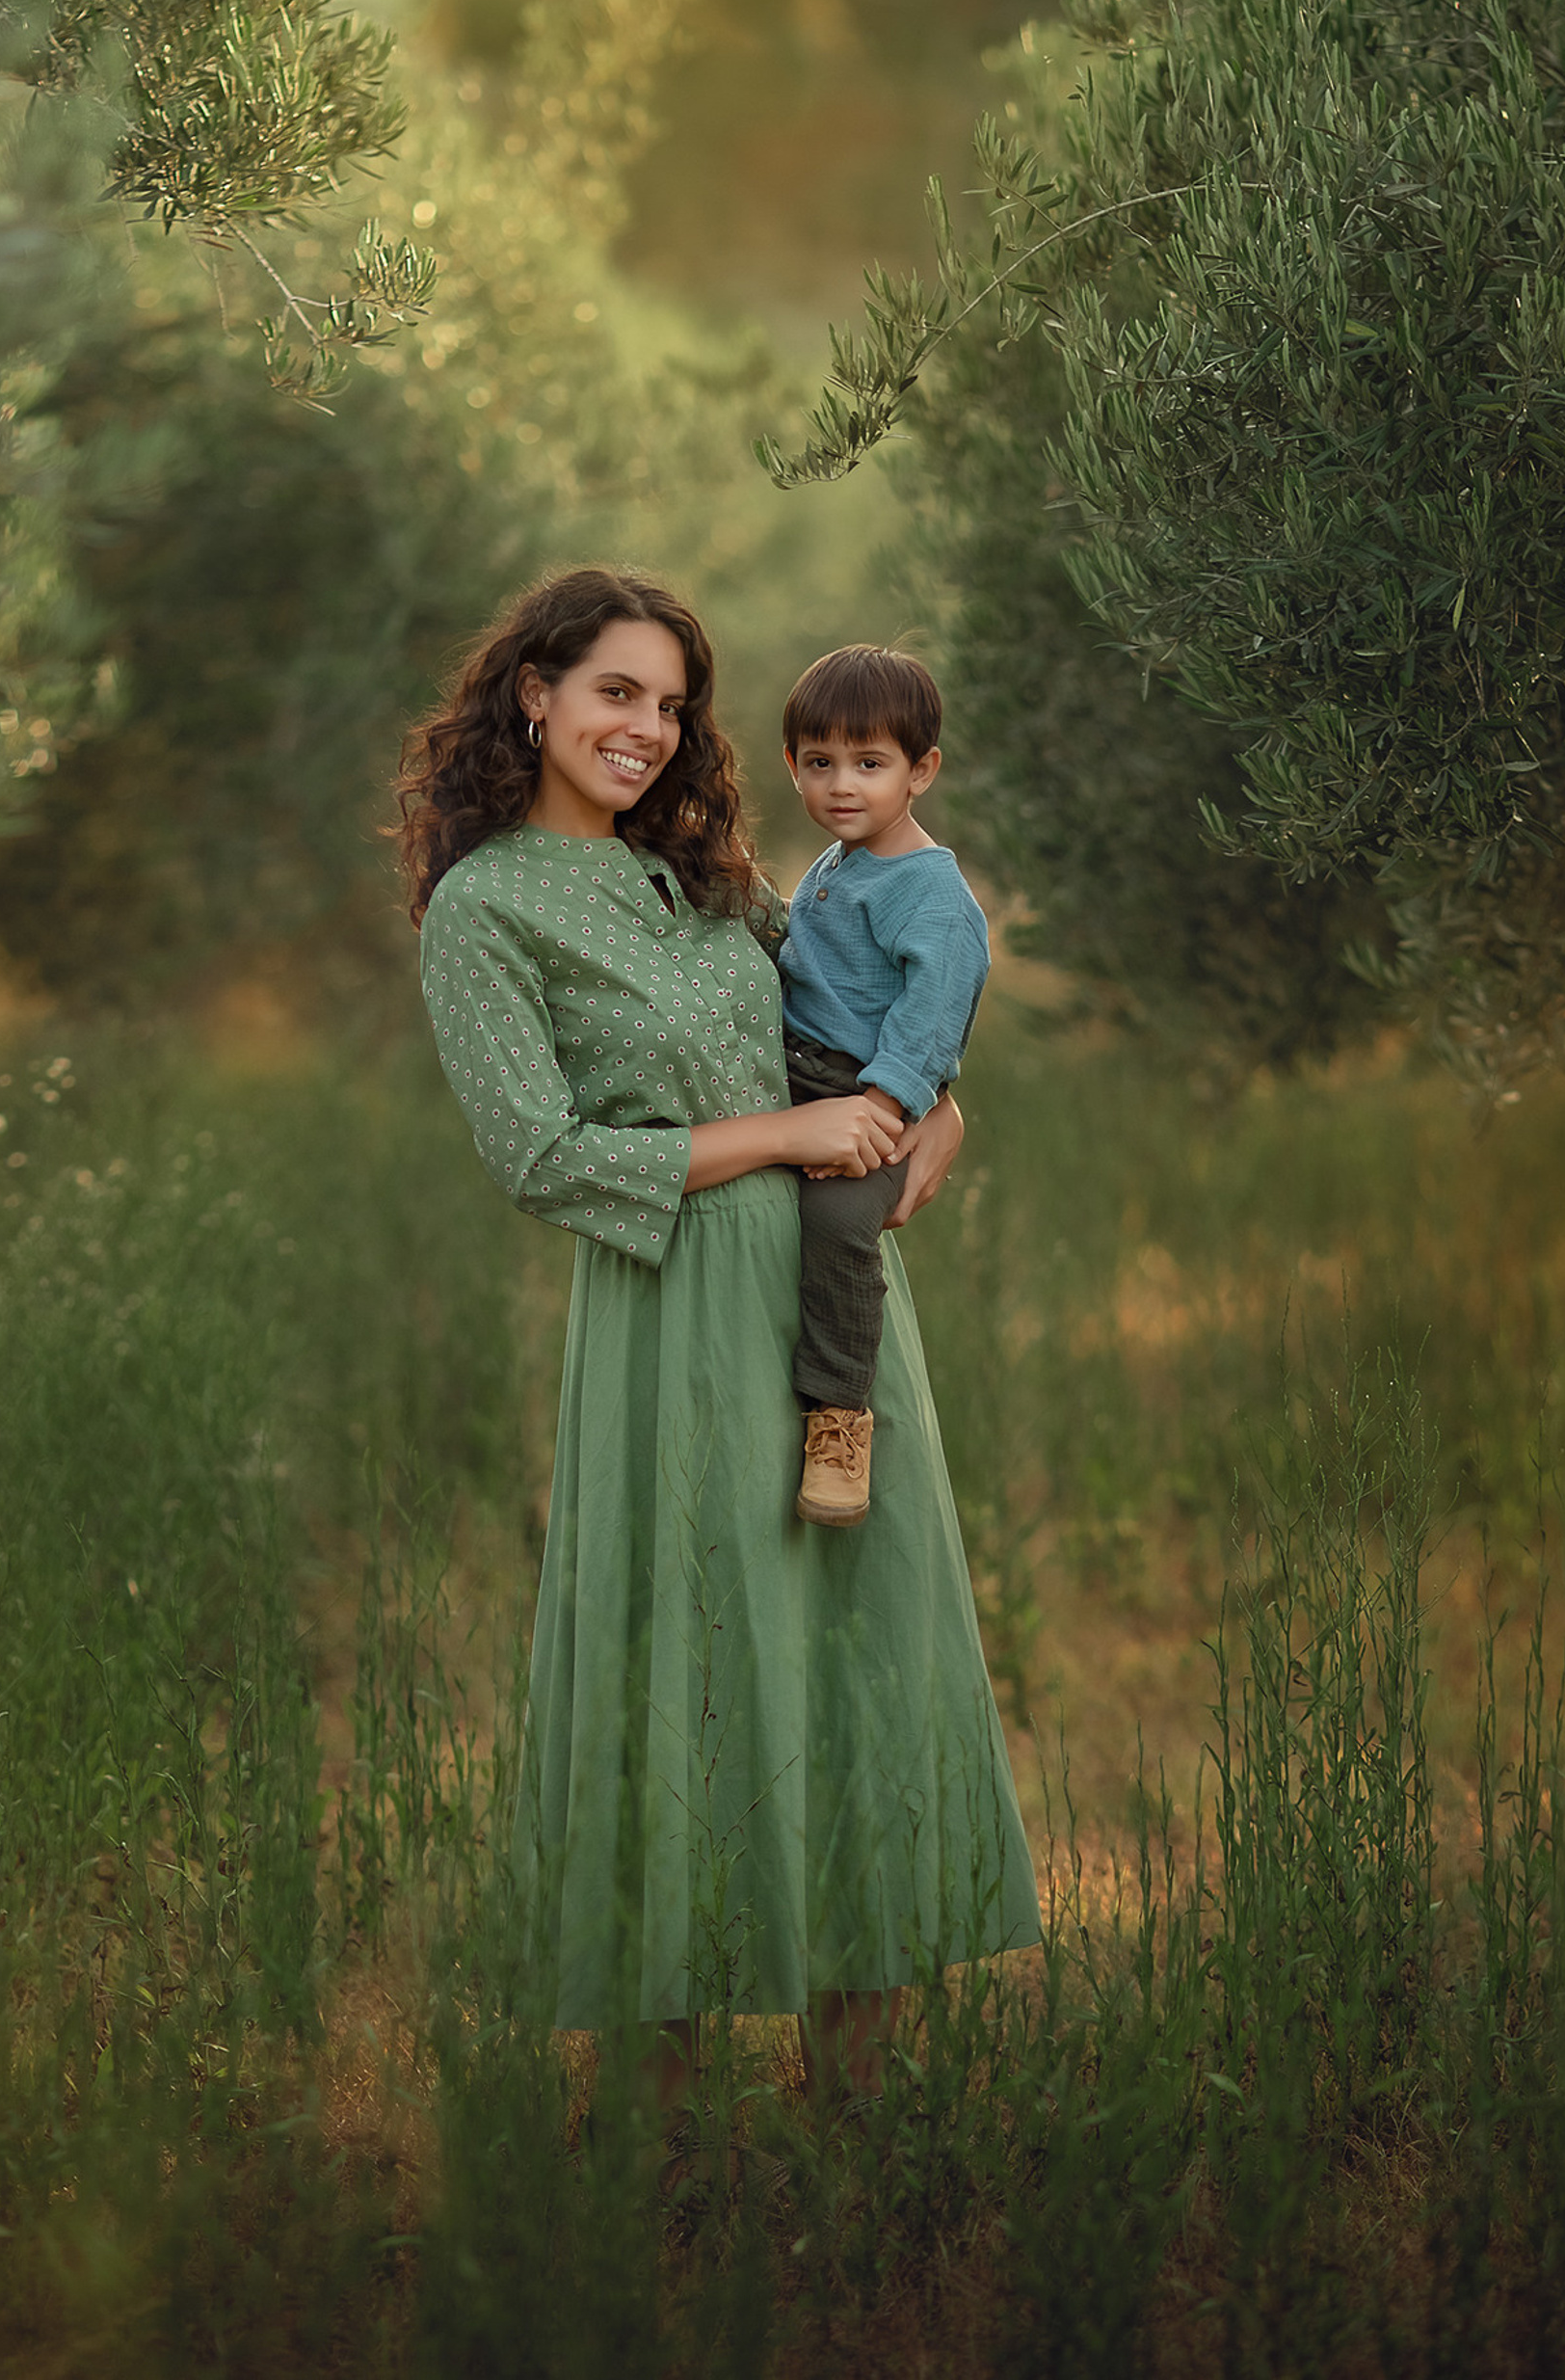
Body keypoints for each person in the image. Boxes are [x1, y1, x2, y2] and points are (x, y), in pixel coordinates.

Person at [394, 564, 1038, 2111]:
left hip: (830, 1314)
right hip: (670, 1306)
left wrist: (937, 1108)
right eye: (618, 691)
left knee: (856, 1635)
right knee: (673, 1650)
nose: (650, 730)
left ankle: (863, 2106)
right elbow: (541, 1156)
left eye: (673, 705)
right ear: (533, 693)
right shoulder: (482, 913)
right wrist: (783, 1133)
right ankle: (661, 2120)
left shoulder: (711, 878)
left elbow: (862, 1008)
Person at [778, 647, 991, 1531]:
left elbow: (933, 1014)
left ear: (921, 771)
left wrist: (887, 1108)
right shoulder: (838, 863)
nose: (842, 786)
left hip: (867, 1098)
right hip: (793, 1079)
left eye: (870, 764)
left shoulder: (929, 891)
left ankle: (839, 1417)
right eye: (819, 763)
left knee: (834, 1225)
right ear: (791, 765)